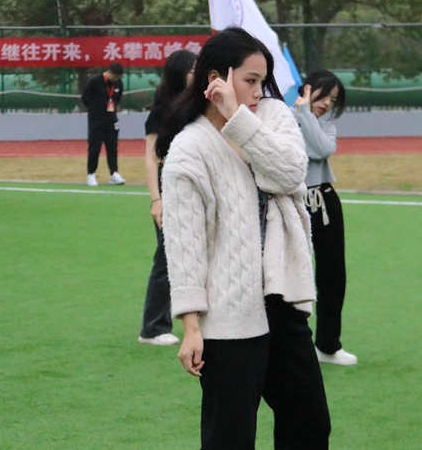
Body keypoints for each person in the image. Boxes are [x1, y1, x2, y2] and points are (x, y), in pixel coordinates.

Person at [158, 27, 331, 449]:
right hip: (227, 316)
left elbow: (290, 172)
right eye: (250, 80)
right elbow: (185, 246)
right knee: (230, 437)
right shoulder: (189, 148)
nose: (258, 91)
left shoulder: (271, 115)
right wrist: (191, 326)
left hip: (283, 304)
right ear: (216, 78)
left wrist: (237, 116)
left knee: (310, 424)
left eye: (262, 81)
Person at [293, 70, 357, 366]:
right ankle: (290, 343)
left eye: (334, 99)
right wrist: (303, 116)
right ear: (308, 89)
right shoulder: (284, 118)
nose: (328, 104)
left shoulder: (327, 125)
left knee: (333, 274)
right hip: (293, 200)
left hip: (325, 200)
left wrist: (306, 115)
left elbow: (321, 149)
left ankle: (328, 346)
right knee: (291, 272)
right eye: (325, 95)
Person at [138, 49, 196, 346]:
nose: (197, 75)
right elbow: (151, 159)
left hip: (193, 185)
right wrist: (156, 199)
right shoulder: (161, 112)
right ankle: (152, 328)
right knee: (167, 256)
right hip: (169, 186)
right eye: (192, 71)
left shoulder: (197, 107)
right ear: (178, 74)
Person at [82, 62, 126, 186]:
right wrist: (94, 109)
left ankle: (114, 174)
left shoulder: (118, 83)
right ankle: (91, 174)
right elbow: (85, 98)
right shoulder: (95, 81)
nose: (116, 79)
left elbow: (117, 99)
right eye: (115, 76)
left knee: (112, 147)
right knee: (94, 147)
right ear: (109, 72)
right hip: (96, 120)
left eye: (118, 77)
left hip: (111, 120)